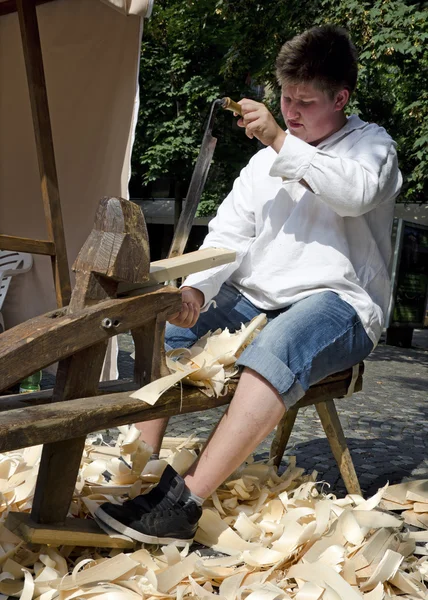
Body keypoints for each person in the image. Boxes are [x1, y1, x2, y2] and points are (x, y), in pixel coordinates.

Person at [96, 24, 402, 545]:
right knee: (163, 329)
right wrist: (196, 290)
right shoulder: (265, 163)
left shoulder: (372, 147)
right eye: (285, 98)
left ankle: (182, 504)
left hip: (342, 304)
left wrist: (281, 141)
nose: (291, 112)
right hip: (257, 298)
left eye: (305, 101)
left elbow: (355, 194)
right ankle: (136, 470)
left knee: (278, 347)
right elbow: (229, 236)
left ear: (341, 97)